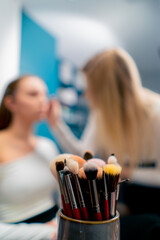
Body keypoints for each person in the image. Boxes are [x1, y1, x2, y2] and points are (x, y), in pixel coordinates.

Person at [47, 48, 160, 240]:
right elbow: (83, 155)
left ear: (105, 89)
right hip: (126, 199)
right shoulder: (101, 116)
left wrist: (124, 172)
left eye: (90, 87)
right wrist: (55, 123)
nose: (86, 95)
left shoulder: (156, 114)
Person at [0, 75, 59, 240]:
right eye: (33, 94)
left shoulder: (48, 146)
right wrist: (49, 233)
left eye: (44, 94)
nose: (43, 100)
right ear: (11, 103)